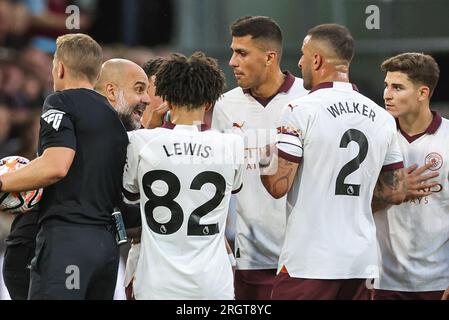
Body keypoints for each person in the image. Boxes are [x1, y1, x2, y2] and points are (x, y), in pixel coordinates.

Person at [259, 23, 412, 300]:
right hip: (361, 262)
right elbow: (395, 191)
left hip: (310, 260)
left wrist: (260, 154)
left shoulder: (299, 109)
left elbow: (277, 186)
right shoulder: (383, 117)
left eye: (304, 55)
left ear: (316, 60)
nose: (301, 61)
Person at [0, 33, 129, 299]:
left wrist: (4, 183)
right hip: (106, 248)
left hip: (67, 242)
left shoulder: (59, 101)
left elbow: (56, 165)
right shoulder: (115, 117)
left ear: (59, 67)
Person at [122, 52, 244, 299]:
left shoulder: (139, 141)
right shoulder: (232, 144)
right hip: (212, 283)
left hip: (157, 284)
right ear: (209, 102)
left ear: (166, 98)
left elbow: (129, 194)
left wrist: (152, 125)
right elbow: (234, 189)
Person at [211, 15, 307, 300]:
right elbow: (218, 181)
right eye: (232, 52)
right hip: (250, 257)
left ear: (269, 57)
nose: (232, 61)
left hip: (303, 258)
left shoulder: (308, 98)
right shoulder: (225, 106)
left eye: (241, 53)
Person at [373, 53, 449, 300]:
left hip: (437, 281)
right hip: (382, 280)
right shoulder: (374, 137)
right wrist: (392, 193)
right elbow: (351, 206)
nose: (387, 94)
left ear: (422, 93)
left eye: (397, 87)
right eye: (386, 85)